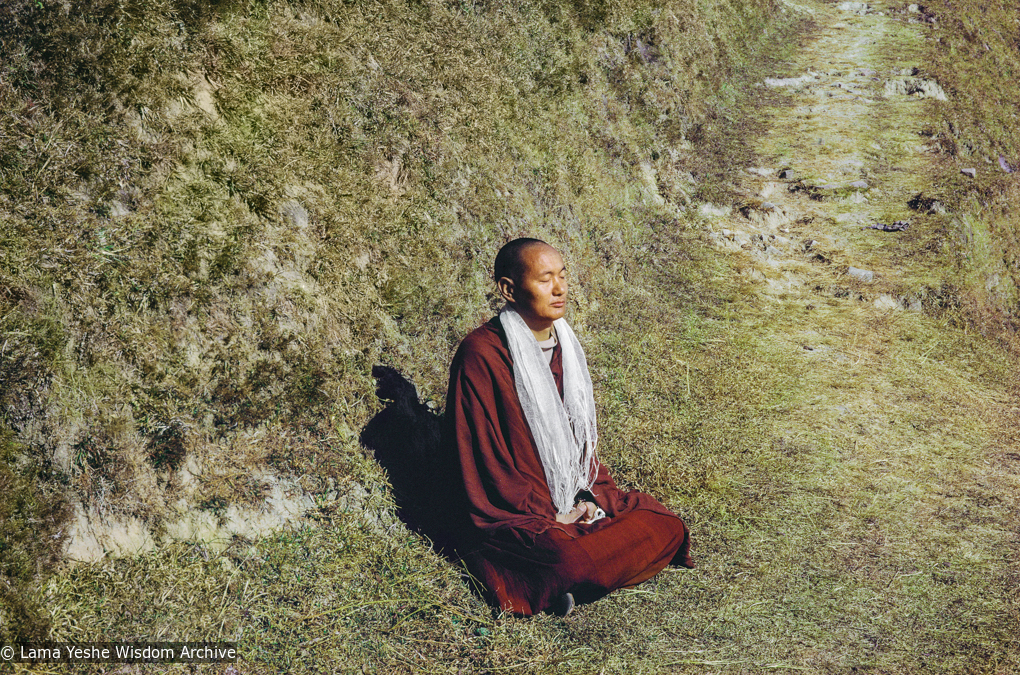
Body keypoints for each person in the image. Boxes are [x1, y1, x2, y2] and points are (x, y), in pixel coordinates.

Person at [439, 237, 693, 617]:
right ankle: (570, 575)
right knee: (564, 557)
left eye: (562, 276)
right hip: (519, 511)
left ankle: (574, 579)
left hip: (573, 495)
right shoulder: (482, 354)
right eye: (545, 280)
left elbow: (578, 447)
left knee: (666, 525)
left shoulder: (566, 344)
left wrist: (587, 499)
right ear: (508, 289)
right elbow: (484, 461)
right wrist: (547, 513)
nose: (559, 289)